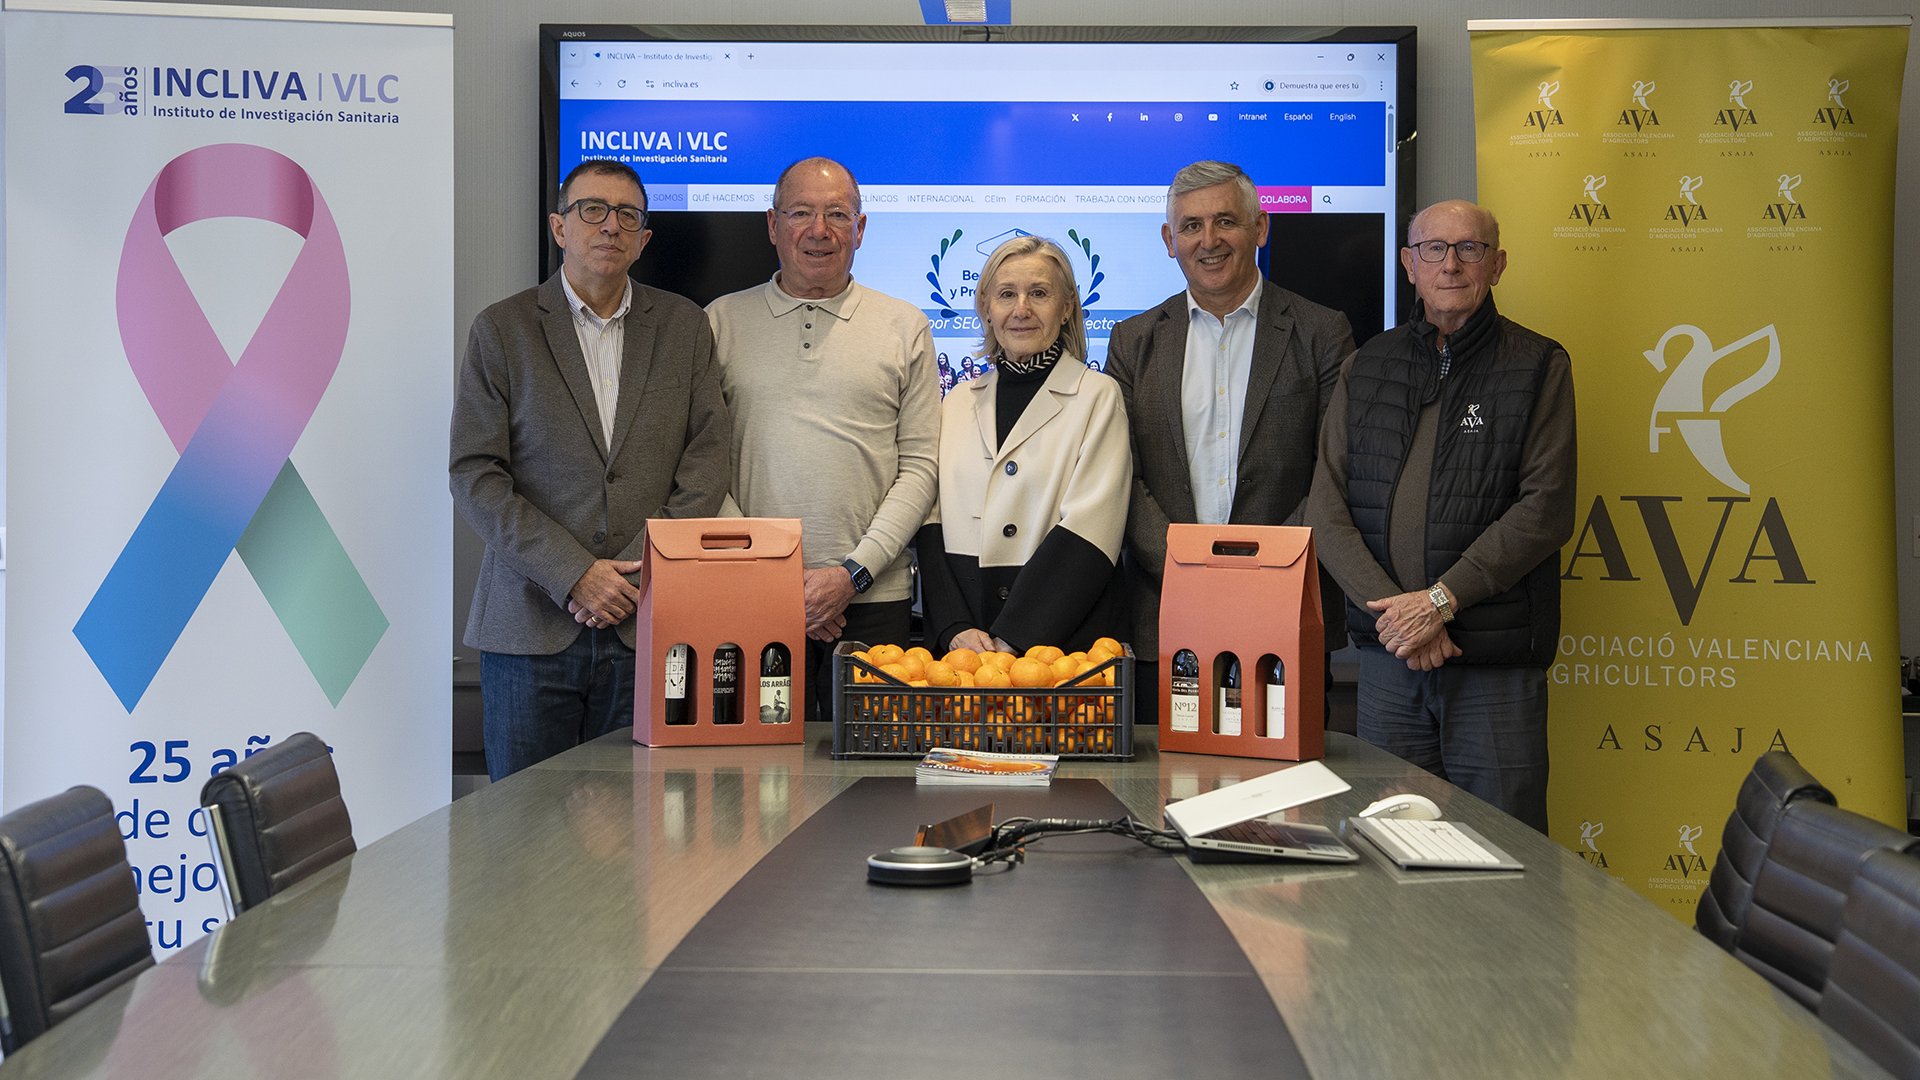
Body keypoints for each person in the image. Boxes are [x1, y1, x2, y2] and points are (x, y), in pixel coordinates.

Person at [451, 159, 731, 780]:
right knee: (523, 824)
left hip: (649, 618)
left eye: (628, 215)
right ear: (559, 227)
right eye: (593, 210)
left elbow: (708, 458)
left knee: (642, 823)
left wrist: (636, 570)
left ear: (644, 238)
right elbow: (475, 473)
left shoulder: (684, 326)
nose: (610, 226)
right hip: (529, 626)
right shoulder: (502, 329)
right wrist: (575, 573)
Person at [1304, 199, 1576, 833]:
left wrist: (1439, 602)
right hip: (1390, 664)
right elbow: (1326, 509)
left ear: (1497, 265)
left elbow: (1545, 509)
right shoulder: (1365, 365)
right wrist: (1401, 618)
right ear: (1409, 264)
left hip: (1491, 671)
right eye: (1433, 249)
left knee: (1506, 852)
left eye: (1469, 249)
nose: (1450, 264)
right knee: (1390, 847)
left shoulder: (1538, 365)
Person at [1106, 160, 1356, 722]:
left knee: (1283, 775)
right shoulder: (1133, 341)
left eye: (1225, 221)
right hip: (1166, 610)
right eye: (1191, 226)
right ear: (1169, 240)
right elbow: (1119, 474)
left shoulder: (1322, 332)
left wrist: (1266, 570)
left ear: (1260, 228)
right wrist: (1187, 567)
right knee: (1167, 772)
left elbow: (1336, 471)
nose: (1209, 240)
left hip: (1286, 606)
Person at [705, 157, 940, 721]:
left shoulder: (905, 326)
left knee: (867, 767)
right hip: (749, 593)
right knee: (752, 767)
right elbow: (699, 465)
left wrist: (851, 575)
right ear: (772, 225)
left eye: (837, 214)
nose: (819, 230)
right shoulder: (719, 322)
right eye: (801, 213)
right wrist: (773, 573)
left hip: (873, 601)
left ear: (860, 229)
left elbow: (921, 468)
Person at [916, 236, 1131, 656]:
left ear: (1066, 307)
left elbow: (1092, 529)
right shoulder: (956, 402)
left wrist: (1015, 637)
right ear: (986, 308)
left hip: (1062, 645)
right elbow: (930, 519)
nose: (1021, 309)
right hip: (966, 646)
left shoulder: (1098, 396)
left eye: (1039, 293)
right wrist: (954, 625)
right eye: (1006, 295)